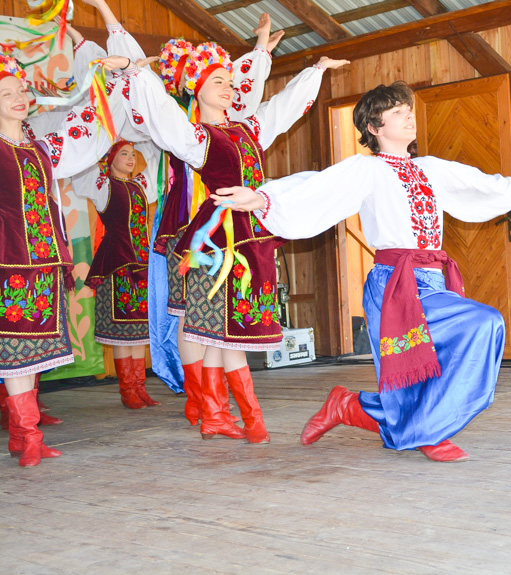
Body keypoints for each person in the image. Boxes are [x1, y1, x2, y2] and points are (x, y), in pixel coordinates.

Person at [211, 81, 511, 462]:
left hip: (432, 280)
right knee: (428, 357)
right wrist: (262, 198)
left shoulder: (430, 169)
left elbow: (473, 183)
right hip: (394, 283)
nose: (409, 116)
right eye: (398, 112)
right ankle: (422, 432)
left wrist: (507, 187)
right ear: (374, 127)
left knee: (471, 334)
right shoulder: (367, 169)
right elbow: (317, 188)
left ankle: (352, 407)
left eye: (409, 110)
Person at [119, 44, 348, 443]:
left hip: (252, 237)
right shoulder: (195, 138)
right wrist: (135, 72)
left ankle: (218, 416)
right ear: (196, 86)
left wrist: (315, 70)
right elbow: (162, 114)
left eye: (229, 81)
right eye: (217, 81)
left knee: (225, 333)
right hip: (213, 243)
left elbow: (283, 107)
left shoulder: (249, 129)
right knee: (217, 332)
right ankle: (241, 418)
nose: (228, 87)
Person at [0, 53, 132, 466]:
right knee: (15, 350)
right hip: (7, 263)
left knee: (30, 350)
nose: (19, 97)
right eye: (6, 93)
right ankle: (25, 434)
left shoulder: (41, 148)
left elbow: (87, 128)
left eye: (21, 90)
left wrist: (108, 80)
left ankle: (26, 435)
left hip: (42, 265)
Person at [74, 140, 161, 408]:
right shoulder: (102, 187)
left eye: (133, 155)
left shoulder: (140, 187)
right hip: (117, 265)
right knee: (123, 330)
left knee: (138, 330)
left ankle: (139, 388)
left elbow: (156, 159)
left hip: (142, 263)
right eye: (124, 154)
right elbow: (81, 173)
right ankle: (127, 391)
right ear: (110, 158)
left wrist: (144, 134)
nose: (131, 158)